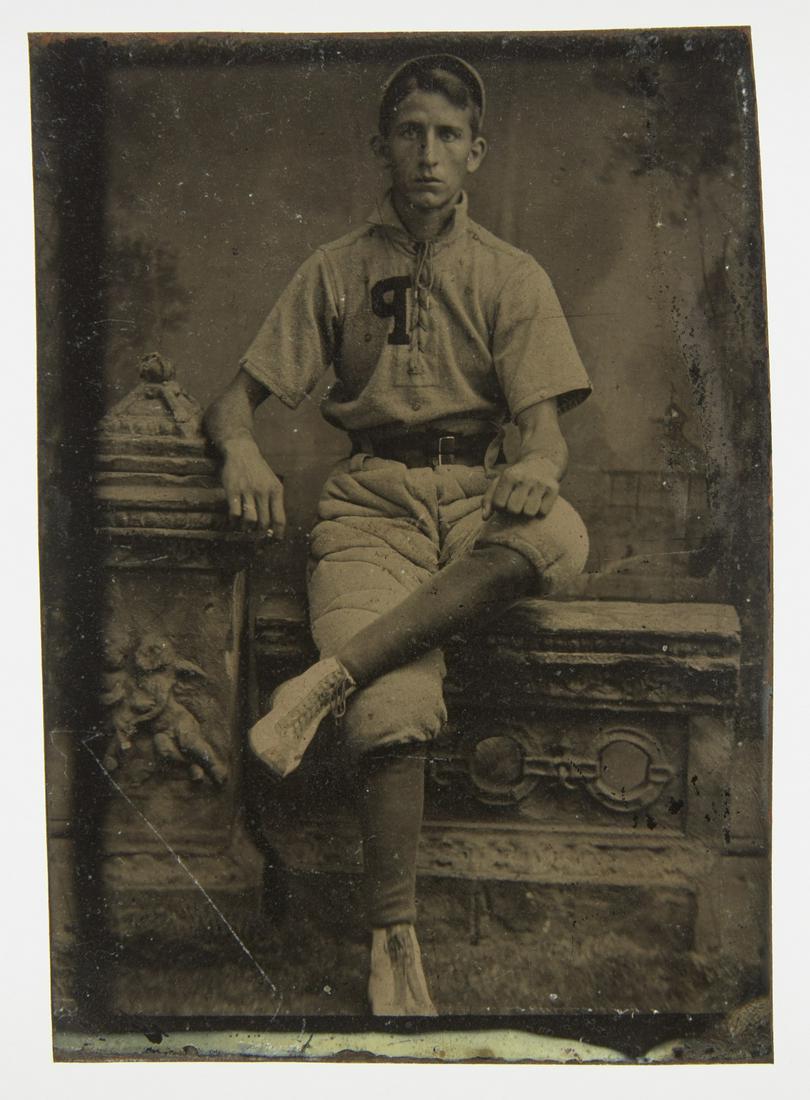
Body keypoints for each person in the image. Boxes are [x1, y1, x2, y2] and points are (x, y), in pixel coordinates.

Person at [204, 54, 592, 1016]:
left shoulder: (510, 273)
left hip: (478, 493)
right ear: (382, 148)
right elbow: (230, 405)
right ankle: (394, 939)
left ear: (476, 153)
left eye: (448, 135)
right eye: (411, 132)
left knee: (561, 539)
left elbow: (543, 429)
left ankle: (324, 679)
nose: (428, 153)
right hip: (372, 501)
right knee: (392, 705)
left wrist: (538, 464)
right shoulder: (335, 268)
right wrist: (242, 452)